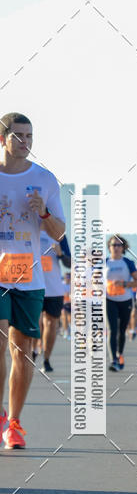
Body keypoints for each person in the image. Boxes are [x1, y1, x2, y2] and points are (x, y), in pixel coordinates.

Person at [0, 112, 65, 448]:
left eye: (30, 136)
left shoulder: (45, 179)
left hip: (29, 274)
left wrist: (43, 213)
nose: (25, 142)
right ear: (3, 139)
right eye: (18, 136)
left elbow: (59, 232)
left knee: (21, 351)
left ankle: (14, 422)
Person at [105, 235, 137, 371]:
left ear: (123, 248)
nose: (116, 248)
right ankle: (113, 360)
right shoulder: (104, 263)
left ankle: (120, 354)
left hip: (125, 300)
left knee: (121, 330)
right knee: (112, 330)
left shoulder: (128, 262)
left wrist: (125, 283)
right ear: (109, 247)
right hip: (109, 300)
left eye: (119, 245)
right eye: (114, 245)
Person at [38, 229, 71, 372]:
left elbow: (70, 263)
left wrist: (60, 254)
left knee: (51, 324)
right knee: (36, 323)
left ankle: (46, 359)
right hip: (32, 286)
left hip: (54, 289)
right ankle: (34, 349)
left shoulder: (59, 234)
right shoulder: (27, 227)